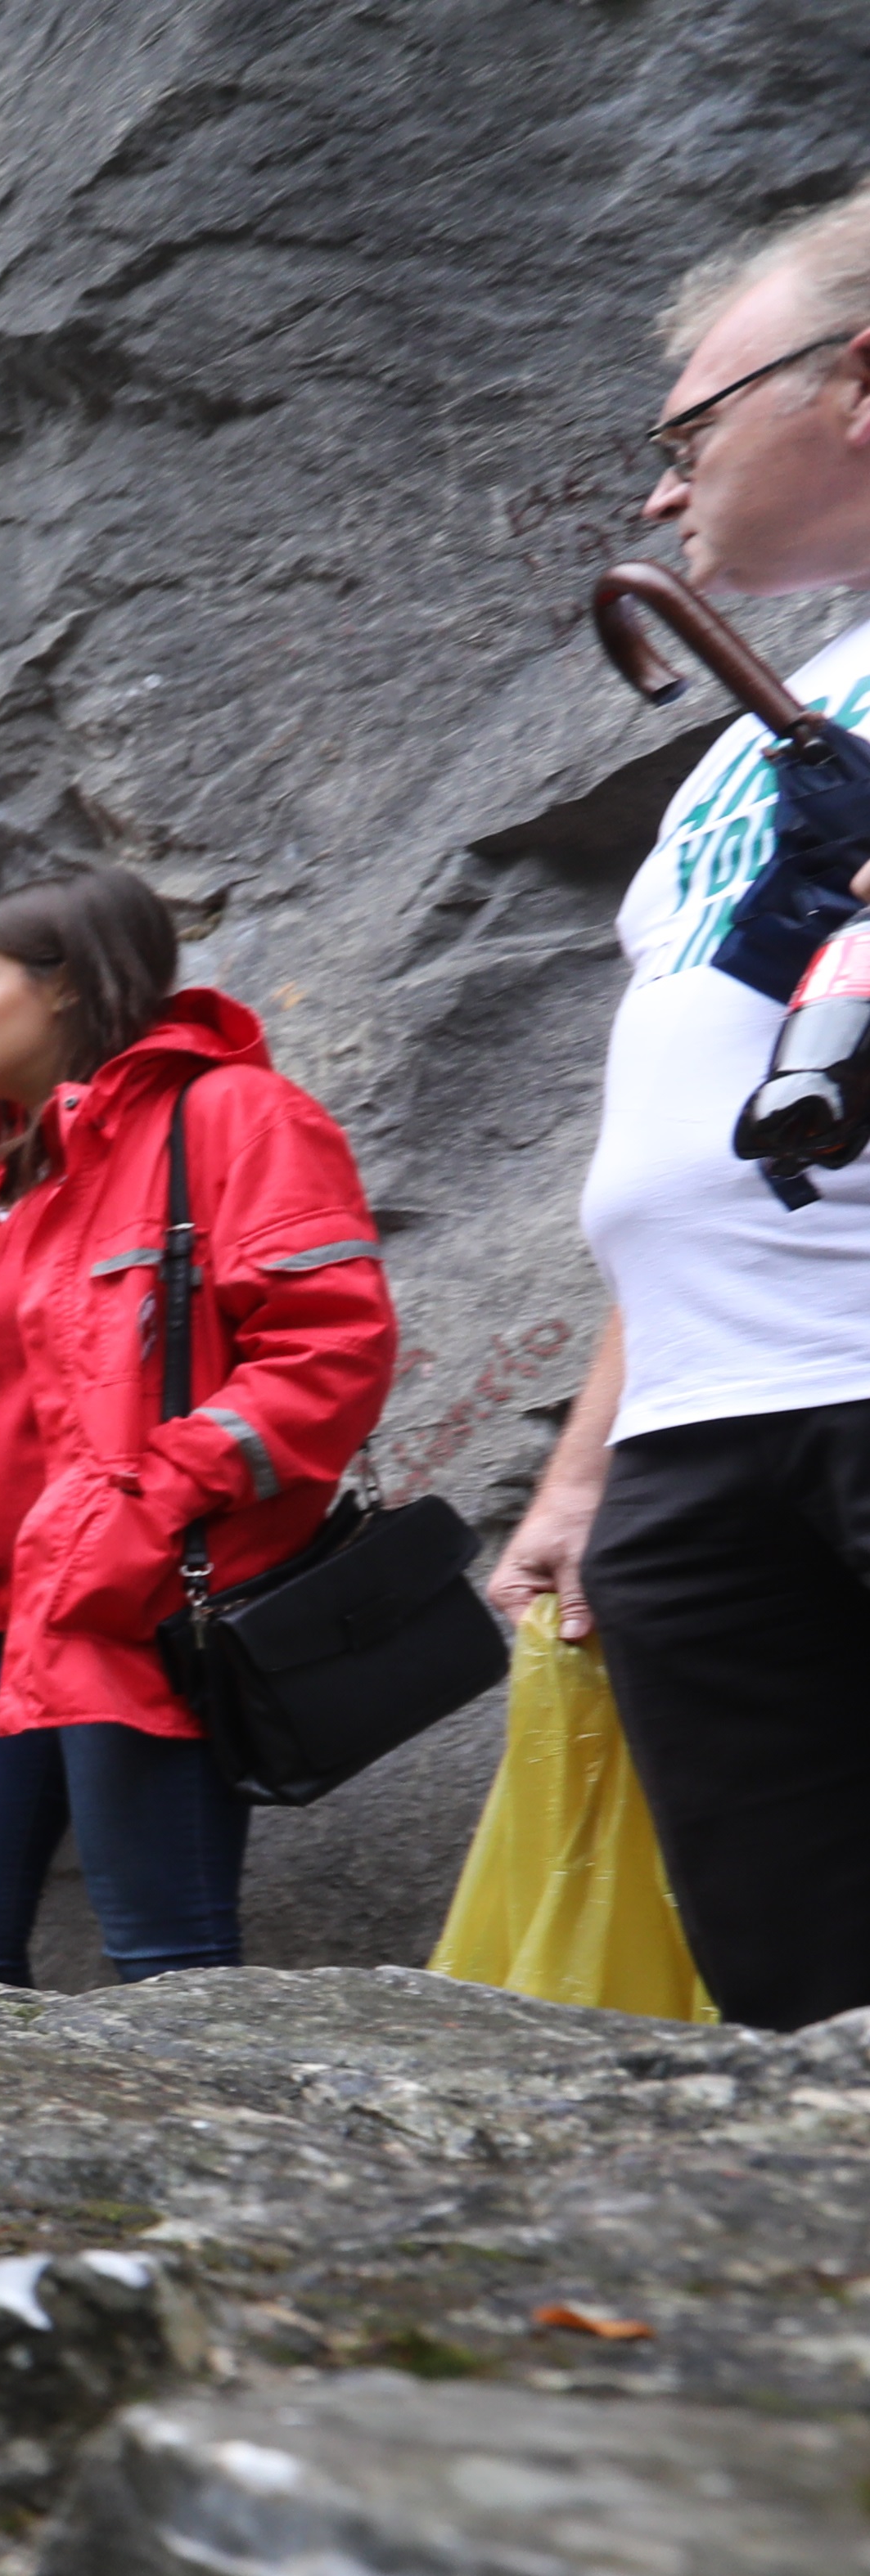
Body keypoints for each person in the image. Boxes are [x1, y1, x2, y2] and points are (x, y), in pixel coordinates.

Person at [485, 180, 870, 2031]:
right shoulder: (749, 744)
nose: (661, 490)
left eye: (690, 431)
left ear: (856, 380)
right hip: (704, 1446)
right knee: (795, 1996)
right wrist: (583, 1470)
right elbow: (688, 1149)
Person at [0, 867, 399, 1985]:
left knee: (168, 1962)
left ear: (64, 989)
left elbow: (332, 1351)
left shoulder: (233, 1115)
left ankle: (212, 2164)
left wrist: (153, 1502)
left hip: (138, 1604)